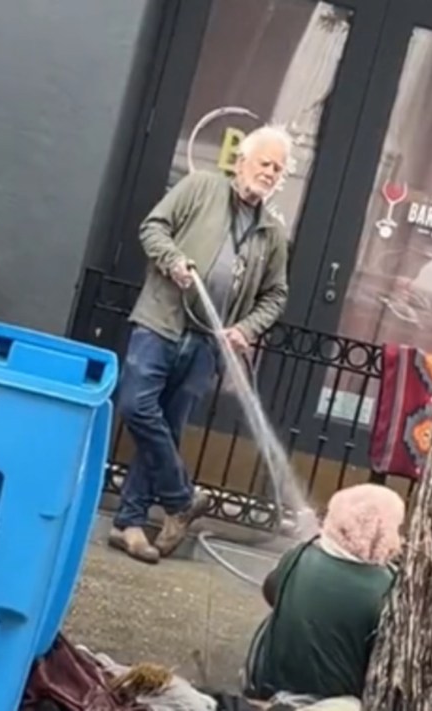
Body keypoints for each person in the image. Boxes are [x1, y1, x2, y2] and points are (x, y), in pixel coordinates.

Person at [108, 125, 293, 564]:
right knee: (136, 406)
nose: (269, 172)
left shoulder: (272, 233)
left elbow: (277, 295)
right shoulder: (201, 187)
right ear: (241, 161)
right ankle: (180, 497)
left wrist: (246, 328)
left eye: (277, 168)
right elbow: (153, 227)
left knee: (168, 428)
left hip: (208, 343)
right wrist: (172, 261)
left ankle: (129, 524)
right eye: (264, 162)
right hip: (161, 321)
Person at [243, 484, 406, 701]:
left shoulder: (299, 556)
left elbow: (271, 593)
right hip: (333, 702)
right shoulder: (389, 588)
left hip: (267, 686)